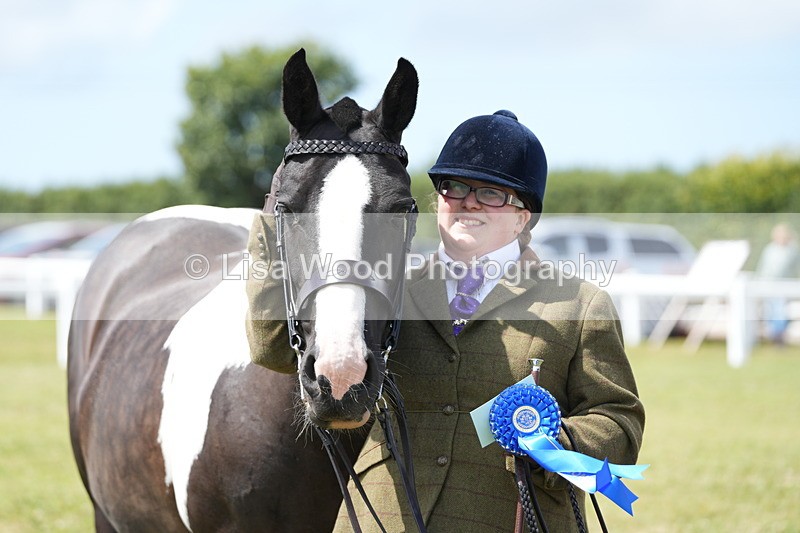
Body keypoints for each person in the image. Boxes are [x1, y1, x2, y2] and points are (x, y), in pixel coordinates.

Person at [247, 110, 645, 532]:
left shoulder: (580, 305)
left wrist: (551, 443)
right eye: (453, 188)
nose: (468, 202)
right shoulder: (388, 287)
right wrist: (277, 217)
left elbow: (619, 419)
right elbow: (272, 348)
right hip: (383, 518)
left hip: (509, 518)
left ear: (523, 215)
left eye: (491, 193)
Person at [756, 223, 800, 345]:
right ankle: (774, 335)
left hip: (784, 287)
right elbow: (762, 268)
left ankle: (778, 336)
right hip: (767, 285)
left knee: (779, 309)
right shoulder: (770, 249)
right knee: (770, 310)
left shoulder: (792, 250)